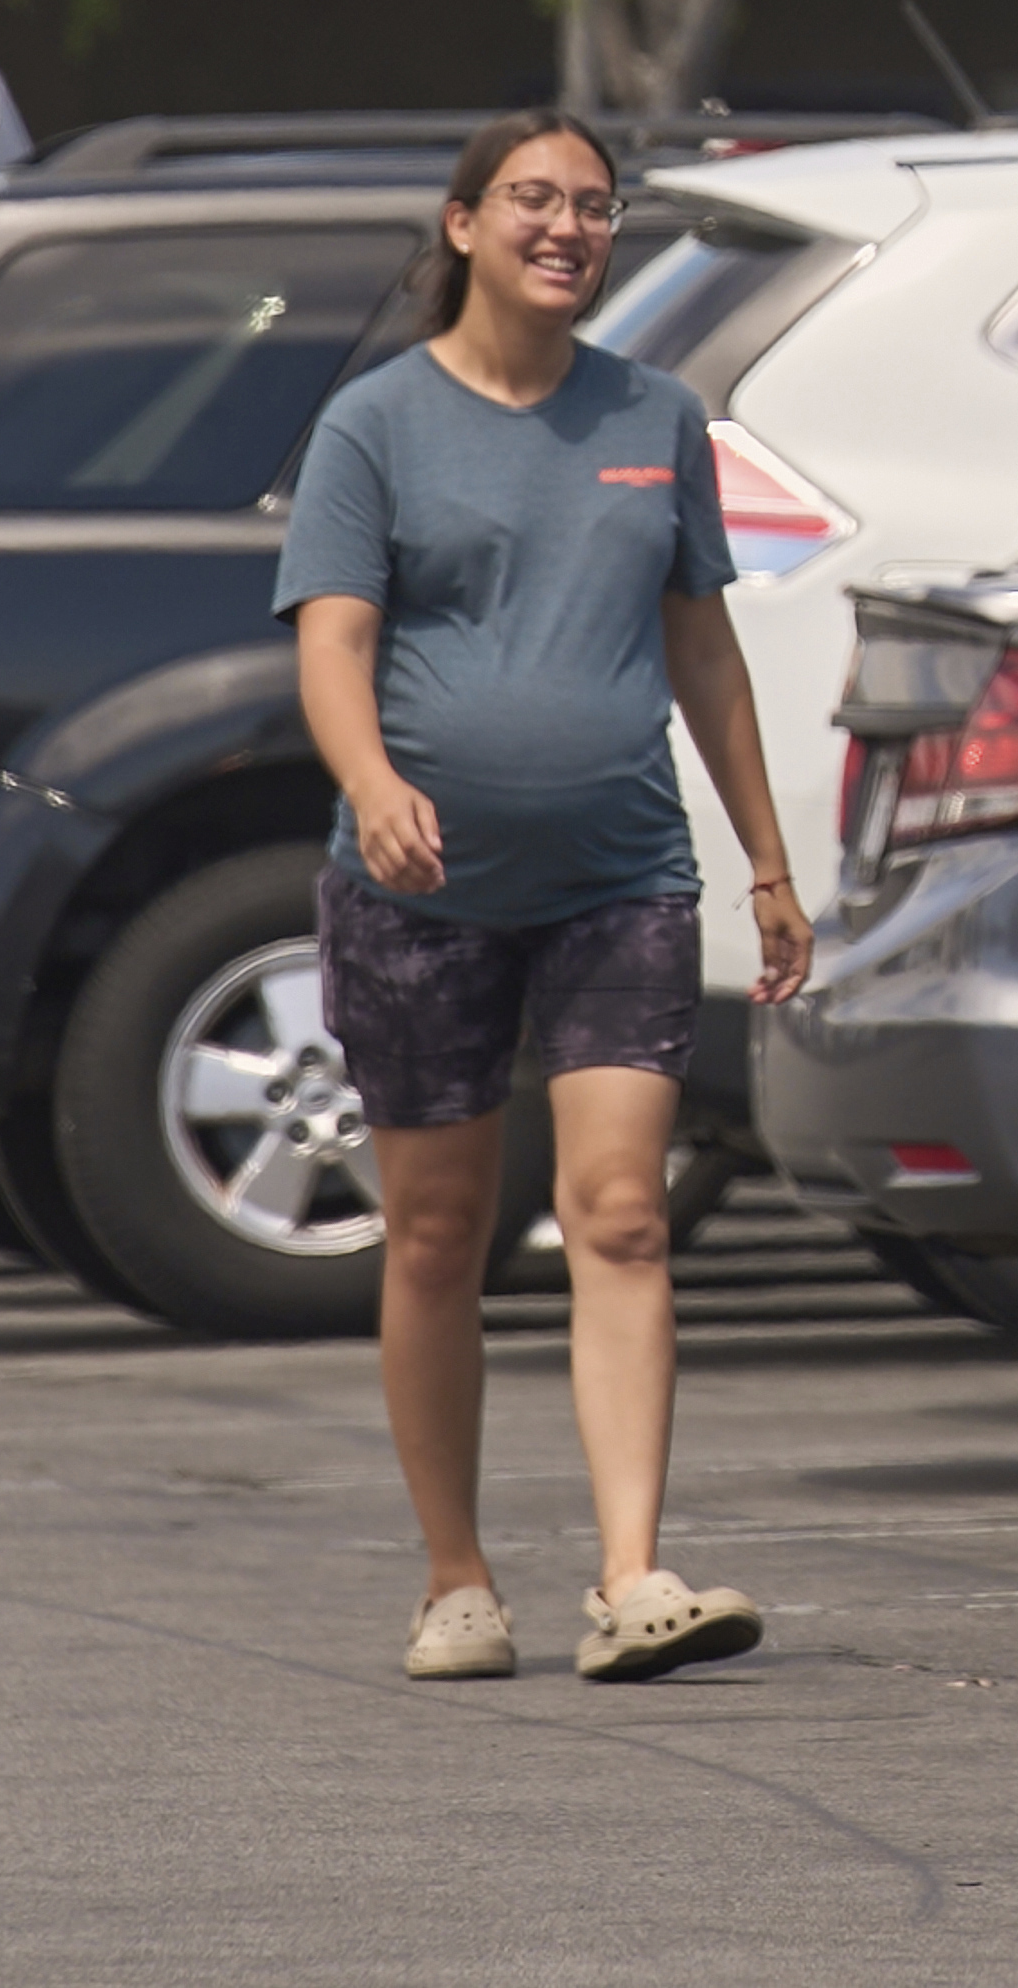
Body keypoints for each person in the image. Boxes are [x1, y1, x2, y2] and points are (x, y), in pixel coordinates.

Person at [283, 107, 811, 1687]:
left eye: (593, 206)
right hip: (420, 895)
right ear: (463, 227)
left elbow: (703, 646)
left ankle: (635, 1573)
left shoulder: (657, 414)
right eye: (533, 200)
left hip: (618, 874)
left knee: (625, 1216)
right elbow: (332, 639)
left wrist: (767, 862)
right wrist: (375, 789)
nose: (568, 227)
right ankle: (457, 1581)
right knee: (439, 1231)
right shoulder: (374, 424)